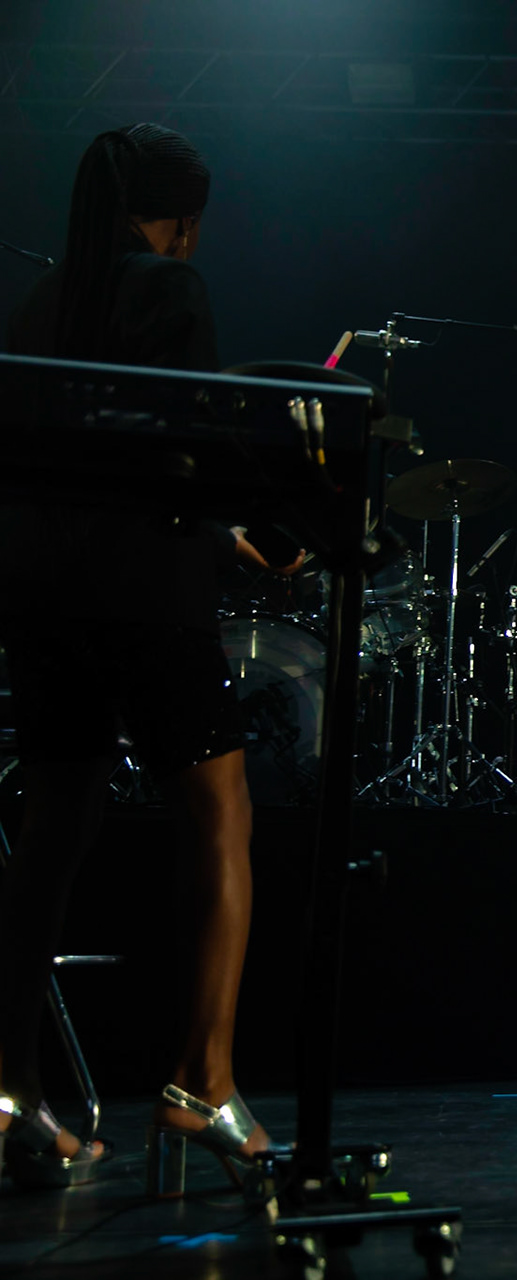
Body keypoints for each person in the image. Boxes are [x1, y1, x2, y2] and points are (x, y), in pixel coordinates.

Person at [0, 124, 283, 1194]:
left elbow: (83, 464)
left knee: (50, 831)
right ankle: (201, 1080)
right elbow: (182, 449)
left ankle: (10, 1095)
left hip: (39, 598)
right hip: (145, 598)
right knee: (221, 812)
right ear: (180, 217)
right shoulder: (170, 290)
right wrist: (247, 528)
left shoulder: (39, 305)